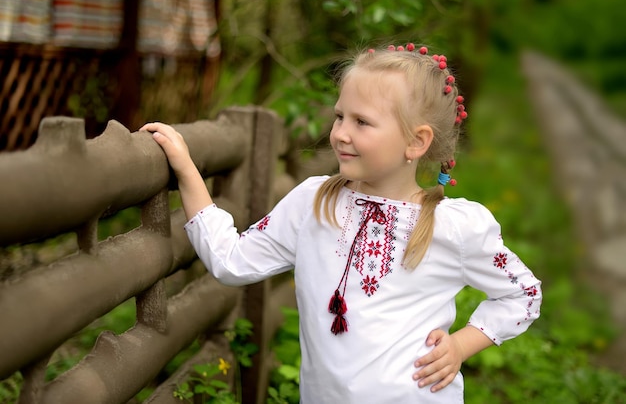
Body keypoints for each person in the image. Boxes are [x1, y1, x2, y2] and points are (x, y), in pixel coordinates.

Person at [140, 42, 542, 403]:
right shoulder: (314, 202)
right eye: (339, 117)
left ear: (415, 142)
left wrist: (461, 345)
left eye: (361, 122)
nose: (340, 134)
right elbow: (232, 261)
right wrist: (187, 169)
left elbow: (523, 293)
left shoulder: (452, 226)